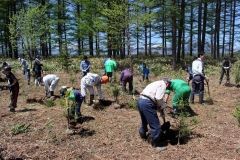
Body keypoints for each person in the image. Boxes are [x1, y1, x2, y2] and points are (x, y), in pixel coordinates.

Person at [137, 79, 170, 147]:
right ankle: (155, 144)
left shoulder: (155, 83)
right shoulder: (163, 84)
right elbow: (158, 98)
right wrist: (163, 106)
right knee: (155, 125)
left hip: (140, 100)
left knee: (144, 120)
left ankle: (142, 134)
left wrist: (160, 109)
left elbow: (154, 99)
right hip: (147, 103)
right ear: (167, 84)